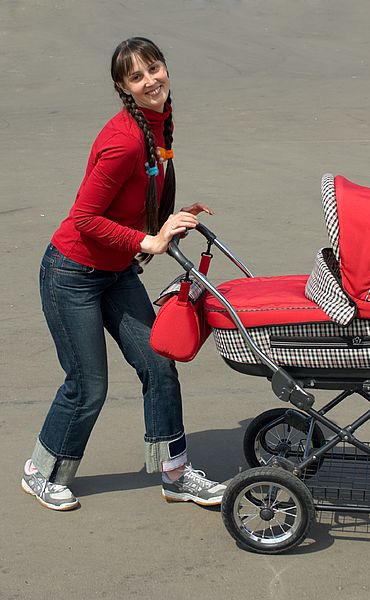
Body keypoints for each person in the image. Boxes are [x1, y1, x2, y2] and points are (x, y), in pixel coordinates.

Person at [21, 37, 226, 511]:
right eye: (137, 76)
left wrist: (166, 222)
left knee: (159, 363)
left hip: (114, 272)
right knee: (88, 384)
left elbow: (140, 193)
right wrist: (147, 242)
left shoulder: (158, 122)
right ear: (123, 87)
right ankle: (41, 471)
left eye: (154, 68)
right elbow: (84, 219)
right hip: (71, 274)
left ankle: (174, 473)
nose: (150, 80)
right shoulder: (123, 140)